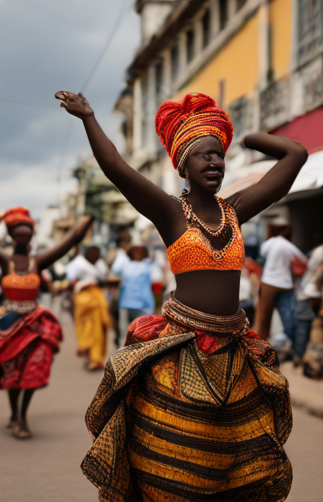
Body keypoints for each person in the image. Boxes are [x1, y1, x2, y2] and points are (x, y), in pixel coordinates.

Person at [57, 90, 307, 501]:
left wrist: (253, 139)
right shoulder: (170, 212)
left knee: (238, 458)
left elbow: (295, 154)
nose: (214, 163)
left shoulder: (235, 210)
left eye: (218, 155)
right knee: (169, 461)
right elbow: (117, 167)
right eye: (202, 155)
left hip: (234, 347)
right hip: (181, 347)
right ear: (182, 166)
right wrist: (88, 118)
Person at [0, 208, 93, 439]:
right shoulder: (5, 260)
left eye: (27, 235)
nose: (22, 239)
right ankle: (15, 414)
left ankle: (22, 417)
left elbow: (71, 240)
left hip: (35, 324)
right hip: (10, 324)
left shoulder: (38, 262)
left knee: (33, 371)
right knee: (12, 371)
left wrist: (88, 216)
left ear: (32, 237)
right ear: (11, 236)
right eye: (17, 235)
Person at [254, 222, 307, 345]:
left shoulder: (271, 242)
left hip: (269, 282)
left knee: (264, 316)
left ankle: (262, 345)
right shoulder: (288, 245)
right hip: (285, 284)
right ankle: (295, 344)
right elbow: (303, 260)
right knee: (288, 316)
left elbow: (262, 252)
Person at [66, 246, 110, 370]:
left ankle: (97, 358)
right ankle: (88, 356)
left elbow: (105, 278)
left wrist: (99, 282)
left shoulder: (100, 264)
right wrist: (83, 284)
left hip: (98, 299)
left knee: (100, 330)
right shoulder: (78, 264)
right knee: (85, 330)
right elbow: (70, 281)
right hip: (84, 300)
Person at [113, 245, 156, 331]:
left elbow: (157, 277)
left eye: (140, 252)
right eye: (135, 251)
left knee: (143, 331)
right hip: (128, 303)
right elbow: (115, 270)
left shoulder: (148, 265)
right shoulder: (126, 264)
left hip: (143, 305)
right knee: (128, 331)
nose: (138, 254)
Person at [294, 242, 323, 366]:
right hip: (310, 294)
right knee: (307, 326)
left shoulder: (319, 252)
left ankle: (301, 357)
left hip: (309, 294)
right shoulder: (320, 252)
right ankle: (302, 357)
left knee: (305, 325)